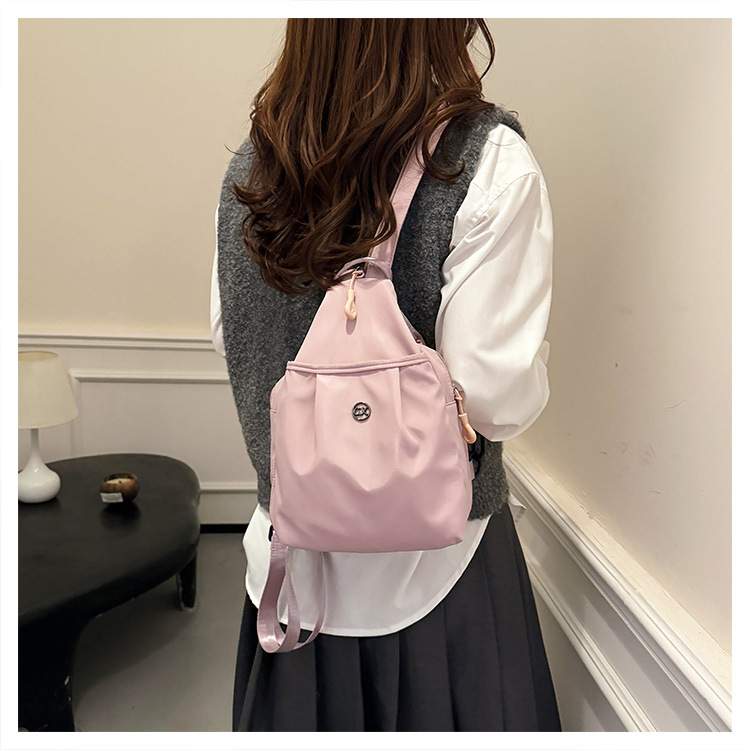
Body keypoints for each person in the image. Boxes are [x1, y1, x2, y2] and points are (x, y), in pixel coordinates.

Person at [210, 18, 561, 732]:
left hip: (288, 564)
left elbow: (232, 337)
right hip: (437, 575)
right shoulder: (485, 159)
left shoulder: (254, 163)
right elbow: (493, 399)